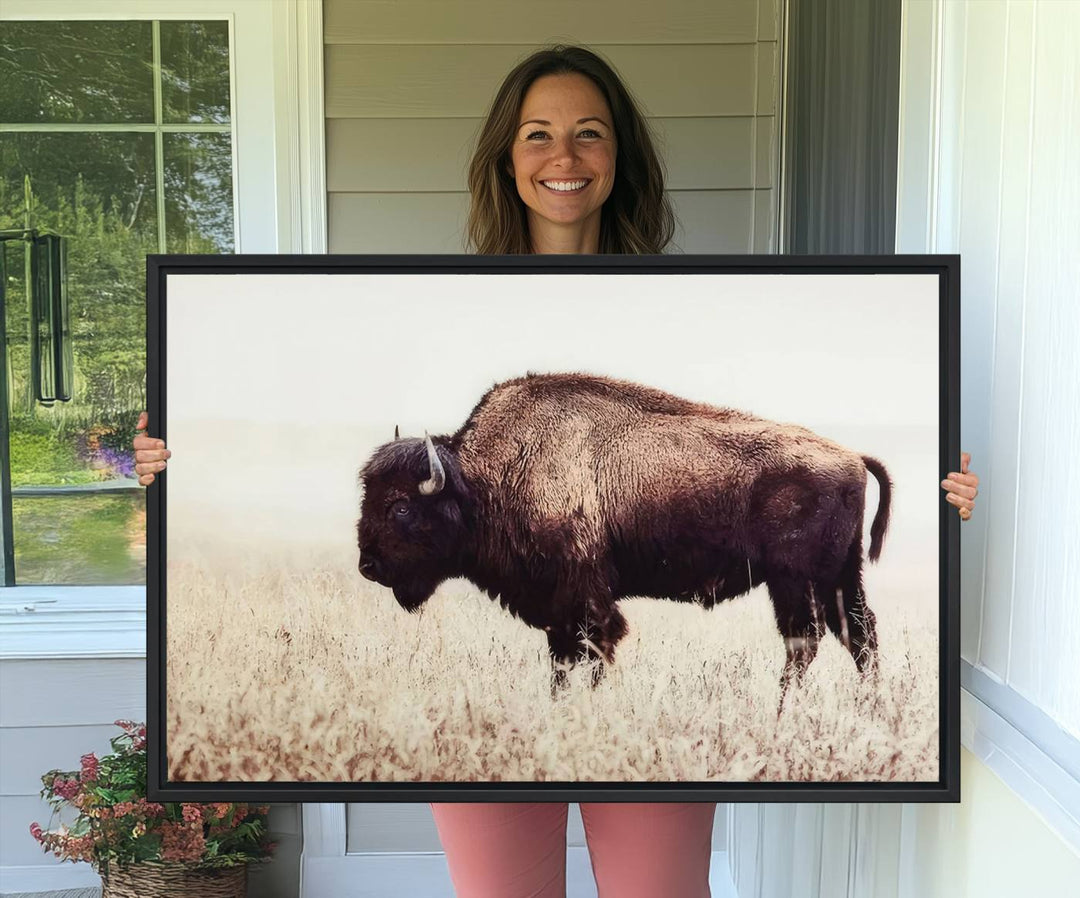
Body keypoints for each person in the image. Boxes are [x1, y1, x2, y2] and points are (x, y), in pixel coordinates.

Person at [133, 45, 979, 898]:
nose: (563, 157)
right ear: (507, 157)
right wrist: (172, 471)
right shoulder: (441, 308)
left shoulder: (687, 302)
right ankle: (572, 689)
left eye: (589, 134)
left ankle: (611, 689)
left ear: (620, 159)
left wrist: (945, 497)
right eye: (538, 135)